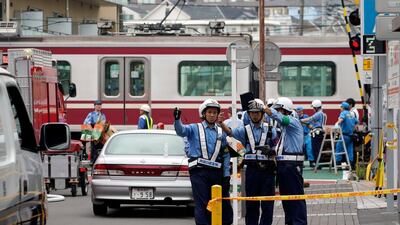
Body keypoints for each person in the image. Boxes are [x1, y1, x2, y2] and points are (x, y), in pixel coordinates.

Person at [173, 99, 230, 225]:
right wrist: (177, 120)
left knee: (217, 203)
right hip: (199, 172)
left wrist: (226, 175)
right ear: (203, 114)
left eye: (215, 112)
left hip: (216, 173)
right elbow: (181, 131)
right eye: (209, 112)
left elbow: (226, 154)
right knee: (202, 204)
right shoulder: (194, 128)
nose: (212, 115)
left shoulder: (221, 133)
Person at [221, 98, 277, 225]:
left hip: (268, 172)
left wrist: (271, 151)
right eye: (252, 113)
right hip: (251, 171)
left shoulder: (271, 130)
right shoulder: (244, 130)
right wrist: (221, 124)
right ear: (249, 114)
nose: (255, 115)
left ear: (262, 114)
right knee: (251, 205)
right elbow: (230, 134)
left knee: (268, 205)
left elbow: (276, 149)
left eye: (257, 112)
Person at [264, 97, 307, 225]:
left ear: (285, 110)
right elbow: (285, 147)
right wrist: (273, 152)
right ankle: (291, 222)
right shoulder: (286, 129)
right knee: (287, 199)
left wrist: (266, 109)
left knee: (295, 198)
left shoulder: (293, 121)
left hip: (291, 166)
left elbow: (281, 118)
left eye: (279, 110)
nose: (277, 112)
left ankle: (299, 223)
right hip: (285, 166)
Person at [300, 99, 325, 167]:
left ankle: (317, 164)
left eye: (313, 107)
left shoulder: (318, 113)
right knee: (317, 148)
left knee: (315, 149)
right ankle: (318, 163)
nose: (313, 109)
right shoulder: (321, 113)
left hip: (317, 133)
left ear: (316, 107)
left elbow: (310, 119)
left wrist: (300, 120)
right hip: (319, 132)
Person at [334, 102, 358, 166]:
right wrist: (353, 128)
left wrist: (337, 124)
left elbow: (341, 119)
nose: (340, 108)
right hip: (351, 135)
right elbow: (356, 122)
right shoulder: (351, 114)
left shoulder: (343, 113)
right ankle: (351, 162)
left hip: (344, 135)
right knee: (349, 149)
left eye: (341, 107)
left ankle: (337, 162)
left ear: (343, 108)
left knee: (339, 147)